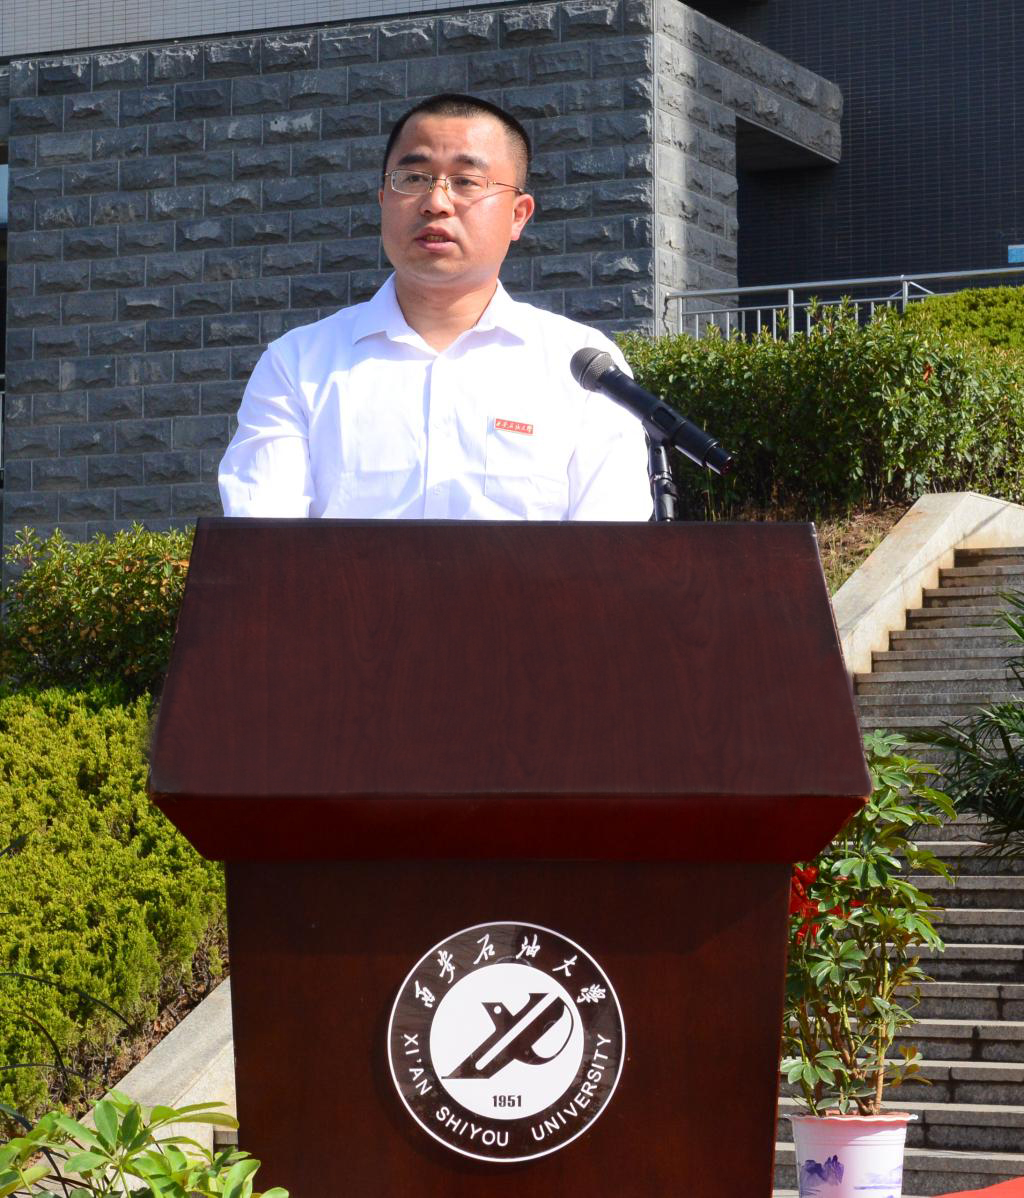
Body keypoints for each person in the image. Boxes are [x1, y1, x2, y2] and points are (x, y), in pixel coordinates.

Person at [218, 93, 652, 521]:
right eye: (412, 179)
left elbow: (611, 547)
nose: (435, 202)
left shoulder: (580, 367)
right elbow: (263, 543)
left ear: (518, 215)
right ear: (383, 201)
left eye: (466, 181)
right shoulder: (298, 364)